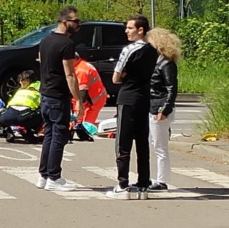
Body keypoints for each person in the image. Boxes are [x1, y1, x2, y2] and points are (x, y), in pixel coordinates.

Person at [106, 15, 158, 200]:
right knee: (142, 143)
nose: (126, 31)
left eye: (129, 28)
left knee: (123, 142)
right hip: (144, 98)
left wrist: (125, 75)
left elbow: (115, 78)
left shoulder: (129, 49)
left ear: (140, 30)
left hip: (127, 98)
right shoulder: (153, 51)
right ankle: (143, 184)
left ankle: (122, 184)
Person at [35, 6, 84, 192]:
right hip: (57, 95)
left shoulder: (46, 40)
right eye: (75, 21)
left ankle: (44, 175)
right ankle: (54, 177)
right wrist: (78, 99)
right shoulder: (66, 44)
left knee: (49, 134)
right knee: (59, 136)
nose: (78, 25)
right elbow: (70, 74)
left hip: (46, 94)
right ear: (64, 22)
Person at [146, 27, 181, 191]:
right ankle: (149, 178)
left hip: (159, 108)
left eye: (150, 40)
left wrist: (164, 109)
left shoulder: (166, 63)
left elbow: (171, 89)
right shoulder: (156, 61)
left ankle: (162, 181)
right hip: (152, 105)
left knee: (160, 146)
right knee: (151, 143)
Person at [71, 52, 107, 126]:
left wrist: (78, 111)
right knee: (80, 122)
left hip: (94, 101)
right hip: (93, 98)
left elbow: (82, 93)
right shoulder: (82, 65)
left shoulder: (81, 71)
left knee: (86, 125)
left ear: (73, 59)